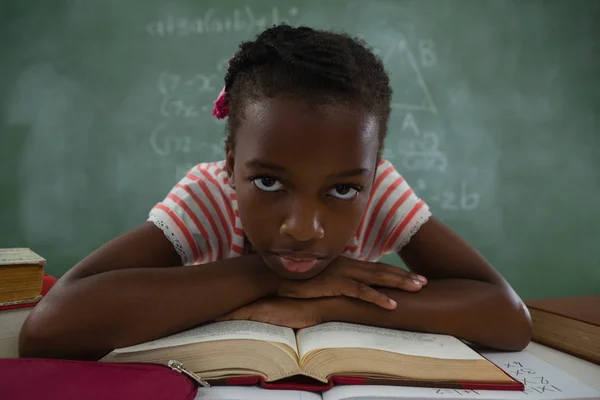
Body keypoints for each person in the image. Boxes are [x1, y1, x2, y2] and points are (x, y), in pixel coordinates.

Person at [19, 24, 531, 361]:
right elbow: (48, 330)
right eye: (268, 182)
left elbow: (507, 319)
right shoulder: (209, 196)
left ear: (374, 173)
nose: (303, 228)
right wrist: (261, 274)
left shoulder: (379, 194)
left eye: (343, 189)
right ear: (230, 164)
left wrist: (324, 305)